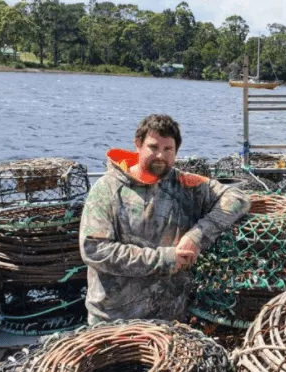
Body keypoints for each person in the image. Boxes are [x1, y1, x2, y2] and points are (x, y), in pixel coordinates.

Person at [79, 114, 250, 324]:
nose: (160, 155)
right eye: (153, 147)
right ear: (138, 145)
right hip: (114, 318)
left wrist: (197, 236)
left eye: (168, 149)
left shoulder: (185, 185)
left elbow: (237, 198)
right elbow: (94, 250)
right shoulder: (107, 189)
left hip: (171, 316)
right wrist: (166, 259)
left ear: (176, 151)